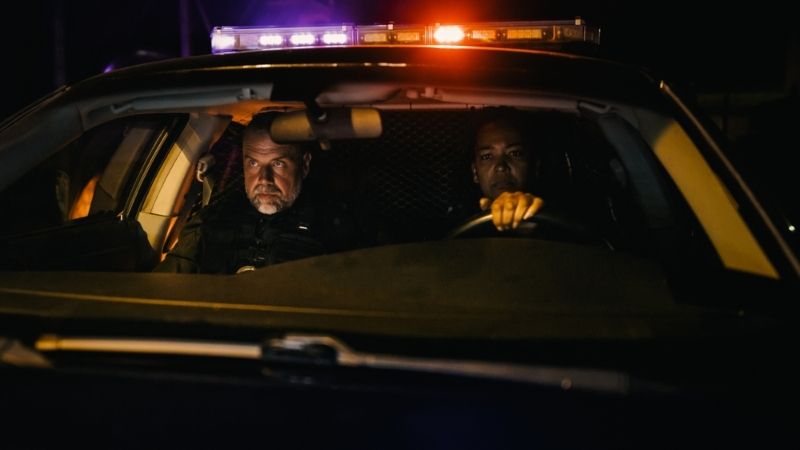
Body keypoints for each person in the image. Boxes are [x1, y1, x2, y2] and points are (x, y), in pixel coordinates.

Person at [155, 111, 338, 274]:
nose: (264, 179)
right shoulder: (211, 221)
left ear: (304, 164)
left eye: (277, 164)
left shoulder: (333, 228)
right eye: (253, 163)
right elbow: (164, 286)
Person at [470, 108, 545, 231]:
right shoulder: (454, 221)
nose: (501, 166)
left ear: (535, 167)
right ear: (475, 172)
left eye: (515, 153)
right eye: (487, 156)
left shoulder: (560, 219)